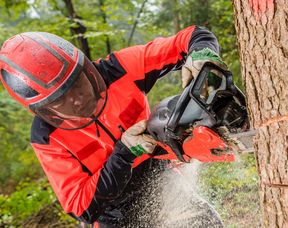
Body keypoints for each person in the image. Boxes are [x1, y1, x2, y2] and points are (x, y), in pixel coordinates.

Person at [0, 25, 226, 227]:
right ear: (44, 109)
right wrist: (125, 154)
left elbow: (191, 36)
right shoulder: (46, 136)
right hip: (111, 212)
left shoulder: (119, 69)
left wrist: (202, 54)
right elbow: (81, 207)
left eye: (76, 84)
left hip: (158, 177)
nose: (76, 100)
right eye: (60, 100)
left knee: (205, 223)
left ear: (85, 68)